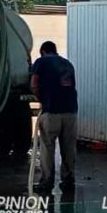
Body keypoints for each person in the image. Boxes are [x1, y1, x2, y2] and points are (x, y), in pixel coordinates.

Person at [31, 41, 78, 193]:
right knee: (68, 148)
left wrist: (41, 100)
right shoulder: (68, 64)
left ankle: (47, 182)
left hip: (51, 112)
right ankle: (68, 180)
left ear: (43, 51)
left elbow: (34, 84)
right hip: (70, 112)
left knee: (47, 148)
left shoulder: (41, 61)